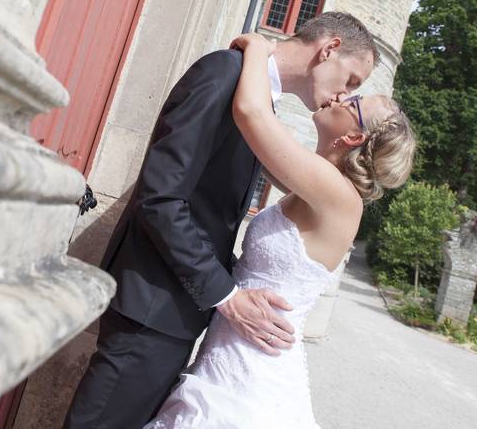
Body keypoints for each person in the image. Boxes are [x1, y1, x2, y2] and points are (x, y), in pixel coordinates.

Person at [63, 12, 380, 429]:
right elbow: (161, 198)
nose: (343, 94)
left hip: (182, 316)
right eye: (352, 81)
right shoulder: (224, 72)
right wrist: (226, 295)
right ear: (330, 49)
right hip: (152, 307)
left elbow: (211, 214)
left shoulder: (259, 101)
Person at [145, 32, 416, 427]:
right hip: (234, 351)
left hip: (254, 368)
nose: (341, 97)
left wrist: (260, 47)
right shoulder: (311, 180)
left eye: (353, 101)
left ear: (353, 137)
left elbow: (253, 114)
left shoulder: (339, 196)